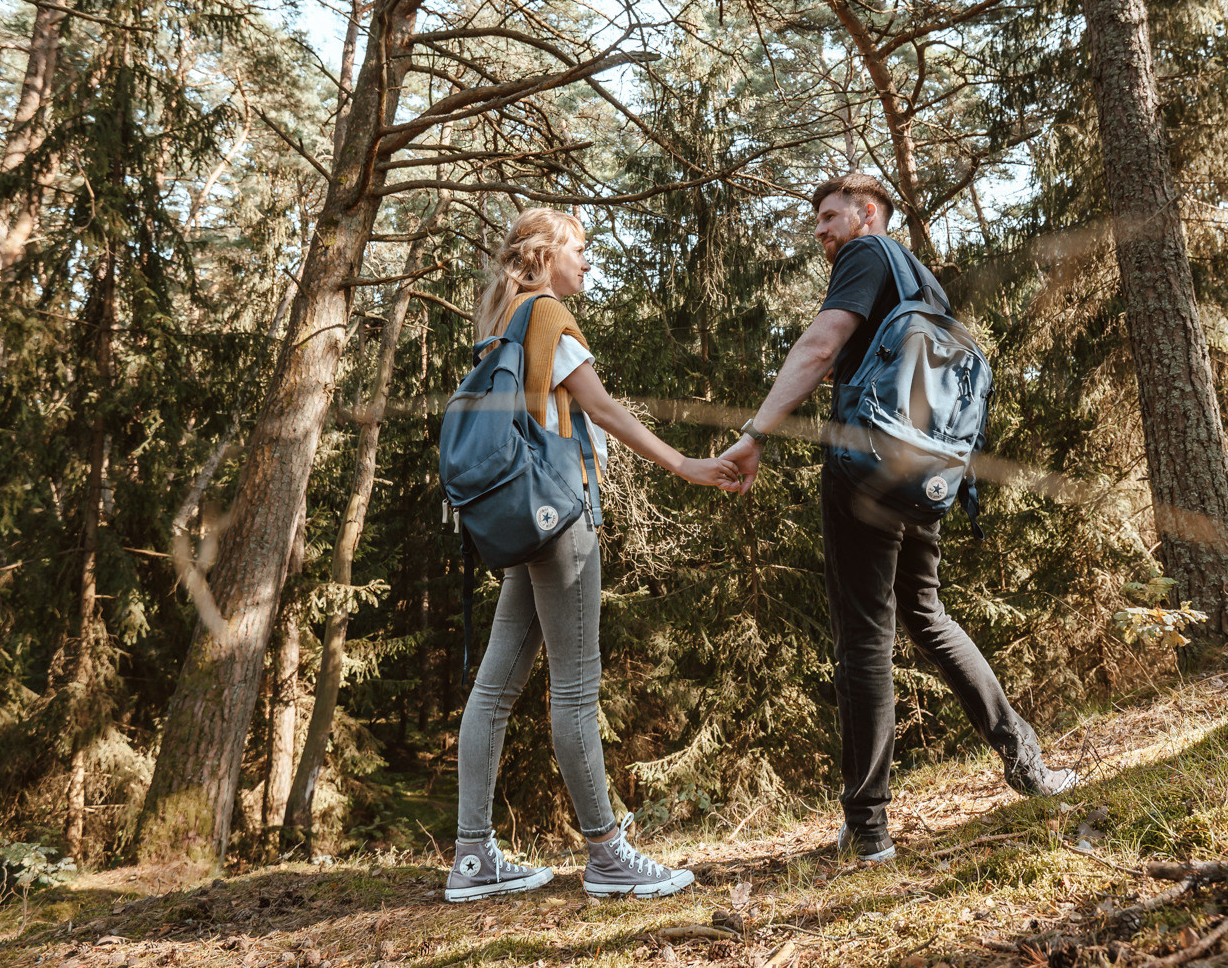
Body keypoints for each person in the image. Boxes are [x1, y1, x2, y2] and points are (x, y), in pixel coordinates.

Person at [720, 172, 1076, 864]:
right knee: (926, 614)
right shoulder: (923, 283)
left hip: (866, 468)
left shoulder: (866, 254)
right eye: (817, 220)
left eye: (829, 215)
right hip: (930, 474)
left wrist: (756, 431)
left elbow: (822, 346)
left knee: (864, 637)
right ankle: (1026, 761)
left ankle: (870, 826)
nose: (821, 230)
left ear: (868, 212)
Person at [446, 208, 738, 902]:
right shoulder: (545, 315)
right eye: (579, 248)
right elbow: (603, 409)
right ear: (546, 255)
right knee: (575, 691)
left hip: (524, 518)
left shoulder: (502, 321)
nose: (587, 262)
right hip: (562, 513)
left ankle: (470, 858)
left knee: (494, 688)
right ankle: (607, 852)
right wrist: (688, 464)